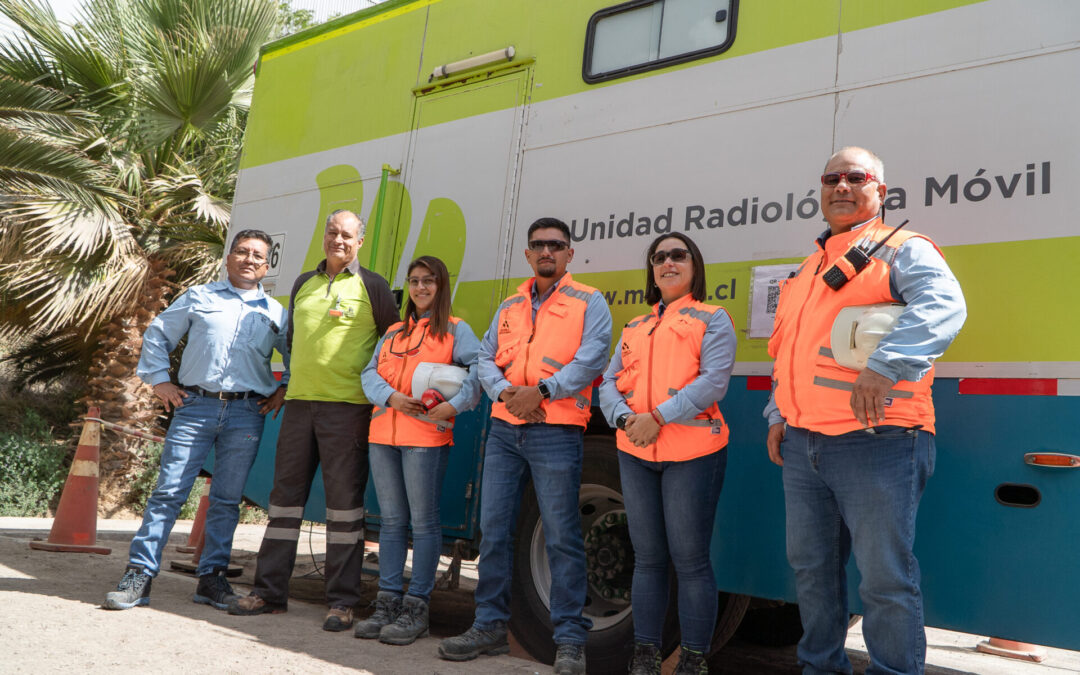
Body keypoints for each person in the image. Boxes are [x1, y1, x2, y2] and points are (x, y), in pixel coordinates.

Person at [764, 147, 966, 674]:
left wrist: (886, 366)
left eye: (858, 177)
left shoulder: (903, 249)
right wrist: (777, 413)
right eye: (833, 177)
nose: (843, 186)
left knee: (884, 581)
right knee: (812, 573)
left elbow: (944, 306)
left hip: (879, 441)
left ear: (880, 191)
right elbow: (789, 351)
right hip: (806, 444)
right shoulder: (810, 267)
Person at [438, 217, 612, 675]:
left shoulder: (589, 301)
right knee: (494, 531)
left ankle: (570, 639)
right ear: (528, 254)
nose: (547, 252)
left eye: (556, 245)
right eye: (538, 245)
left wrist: (544, 392)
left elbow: (593, 355)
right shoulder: (511, 305)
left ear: (569, 254)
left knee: (561, 535)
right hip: (504, 430)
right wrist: (505, 395)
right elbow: (485, 357)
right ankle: (490, 626)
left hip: (556, 431)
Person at [228, 210, 398, 632]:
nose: (337, 240)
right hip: (300, 407)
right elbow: (290, 341)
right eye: (332, 232)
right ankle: (269, 593)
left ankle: (341, 602)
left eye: (346, 235)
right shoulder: (304, 283)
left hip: (349, 410)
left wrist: (380, 398)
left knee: (344, 510)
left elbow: (395, 346)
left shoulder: (373, 286)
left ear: (360, 241)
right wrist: (288, 385)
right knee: (283, 502)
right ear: (324, 235)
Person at [103, 229, 288, 611]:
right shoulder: (199, 296)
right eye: (242, 252)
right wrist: (159, 383)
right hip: (195, 408)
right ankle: (139, 574)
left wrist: (284, 389)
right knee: (169, 492)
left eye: (257, 255)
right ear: (229, 257)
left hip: (246, 414)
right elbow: (157, 334)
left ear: (267, 265)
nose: (249, 259)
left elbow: (298, 357)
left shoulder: (277, 313)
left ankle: (212, 579)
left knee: (226, 500)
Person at [599, 232, 736, 675]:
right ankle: (645, 654)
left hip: (693, 452)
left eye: (678, 255)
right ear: (652, 271)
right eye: (659, 257)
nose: (668, 263)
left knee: (691, 559)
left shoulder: (713, 319)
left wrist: (656, 417)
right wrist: (625, 420)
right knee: (648, 558)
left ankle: (693, 660)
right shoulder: (635, 327)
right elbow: (607, 383)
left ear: (694, 265)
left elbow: (713, 382)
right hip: (635, 450)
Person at [356, 255, 482, 645]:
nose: (421, 288)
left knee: (424, 524)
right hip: (384, 436)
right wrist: (391, 397)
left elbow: (479, 373)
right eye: (414, 281)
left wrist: (455, 406)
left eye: (429, 281)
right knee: (391, 523)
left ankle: (417, 607)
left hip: (426, 439)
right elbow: (368, 372)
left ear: (441, 286)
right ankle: (388, 602)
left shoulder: (457, 330)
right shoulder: (394, 331)